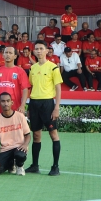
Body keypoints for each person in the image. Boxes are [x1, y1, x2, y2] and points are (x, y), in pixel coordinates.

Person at [26, 40, 63, 176]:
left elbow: (58, 88)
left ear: (47, 51)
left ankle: (55, 167)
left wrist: (56, 107)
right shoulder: (32, 68)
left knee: (53, 134)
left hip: (48, 103)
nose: (39, 51)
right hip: (34, 103)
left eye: (41, 48)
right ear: (34, 51)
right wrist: (29, 107)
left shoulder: (53, 67)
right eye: (36, 49)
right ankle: (35, 165)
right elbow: (32, 87)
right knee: (36, 135)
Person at [0, 92, 31, 176]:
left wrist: (25, 144)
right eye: (3, 101)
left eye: (8, 101)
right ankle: (11, 164)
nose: (5, 103)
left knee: (20, 155)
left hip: (19, 147)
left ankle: (20, 166)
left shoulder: (20, 116)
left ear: (12, 102)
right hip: (5, 149)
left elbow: (28, 135)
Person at [0, 46, 30, 113]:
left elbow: (25, 89)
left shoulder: (20, 71)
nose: (8, 54)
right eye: (6, 52)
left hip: (15, 107)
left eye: (10, 53)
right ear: (3, 55)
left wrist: (23, 105)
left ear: (15, 56)